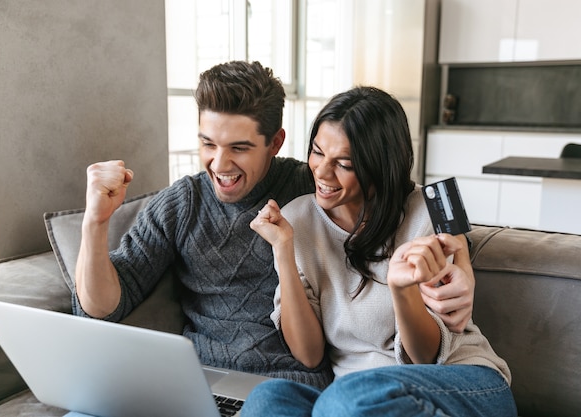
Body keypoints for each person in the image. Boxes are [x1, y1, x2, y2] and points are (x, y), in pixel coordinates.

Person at [74, 61, 475, 389]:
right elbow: (103, 307)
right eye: (208, 144)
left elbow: (400, 192)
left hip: (291, 382)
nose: (220, 164)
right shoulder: (180, 205)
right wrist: (95, 221)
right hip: (199, 380)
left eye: (239, 148)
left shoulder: (316, 186)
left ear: (276, 142)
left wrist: (462, 262)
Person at [244, 86, 516, 416]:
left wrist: (403, 289)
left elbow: (425, 357)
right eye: (317, 153)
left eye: (343, 163)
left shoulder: (427, 214)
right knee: (268, 400)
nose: (322, 172)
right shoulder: (297, 218)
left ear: (379, 167)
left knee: (346, 398)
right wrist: (283, 252)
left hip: (458, 383)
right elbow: (309, 355)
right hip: (356, 403)